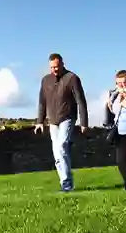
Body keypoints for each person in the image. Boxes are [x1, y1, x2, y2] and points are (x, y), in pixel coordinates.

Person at [34, 52, 88, 193]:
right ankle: (65, 182)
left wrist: (84, 123)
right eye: (52, 67)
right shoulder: (45, 80)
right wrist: (40, 121)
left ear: (63, 64)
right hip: (52, 120)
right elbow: (42, 102)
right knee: (57, 153)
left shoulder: (72, 78)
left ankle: (67, 184)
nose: (54, 70)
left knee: (62, 146)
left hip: (67, 117)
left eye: (57, 66)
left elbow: (81, 101)